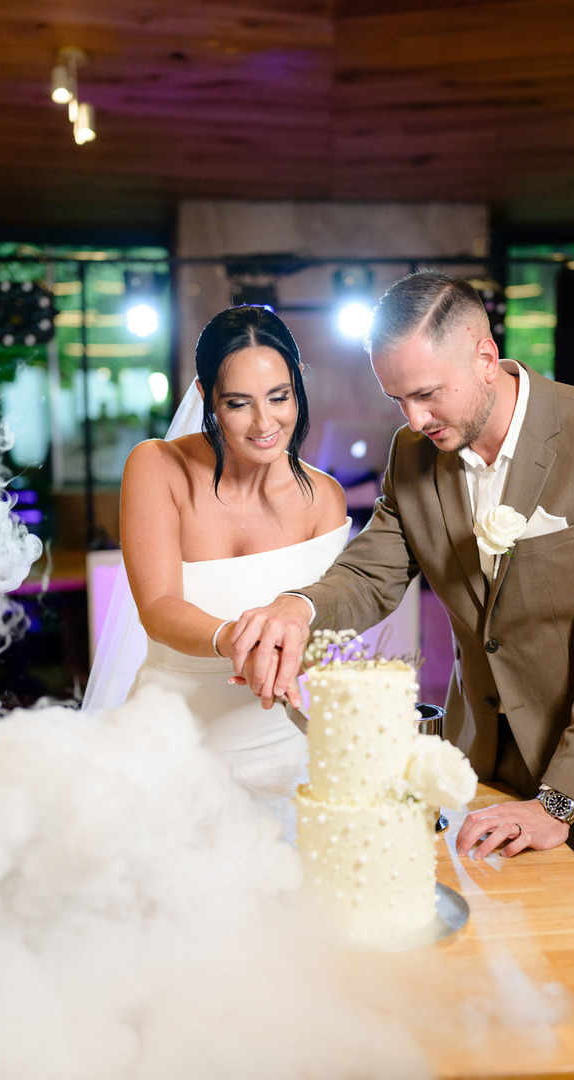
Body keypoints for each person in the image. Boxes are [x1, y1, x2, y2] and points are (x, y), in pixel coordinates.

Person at [228, 270, 574, 925]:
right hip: (480, 759)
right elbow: (371, 573)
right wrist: (297, 608)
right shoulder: (412, 452)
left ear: (484, 358)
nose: (414, 420)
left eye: (426, 394)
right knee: (503, 969)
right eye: (397, 399)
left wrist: (557, 803)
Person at [84, 305, 349, 790]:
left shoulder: (324, 498)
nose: (264, 423)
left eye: (280, 396)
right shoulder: (157, 466)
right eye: (238, 403)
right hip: (170, 747)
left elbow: (323, 626)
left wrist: (294, 657)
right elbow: (158, 607)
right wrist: (233, 638)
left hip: (284, 746)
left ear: (298, 382)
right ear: (207, 396)